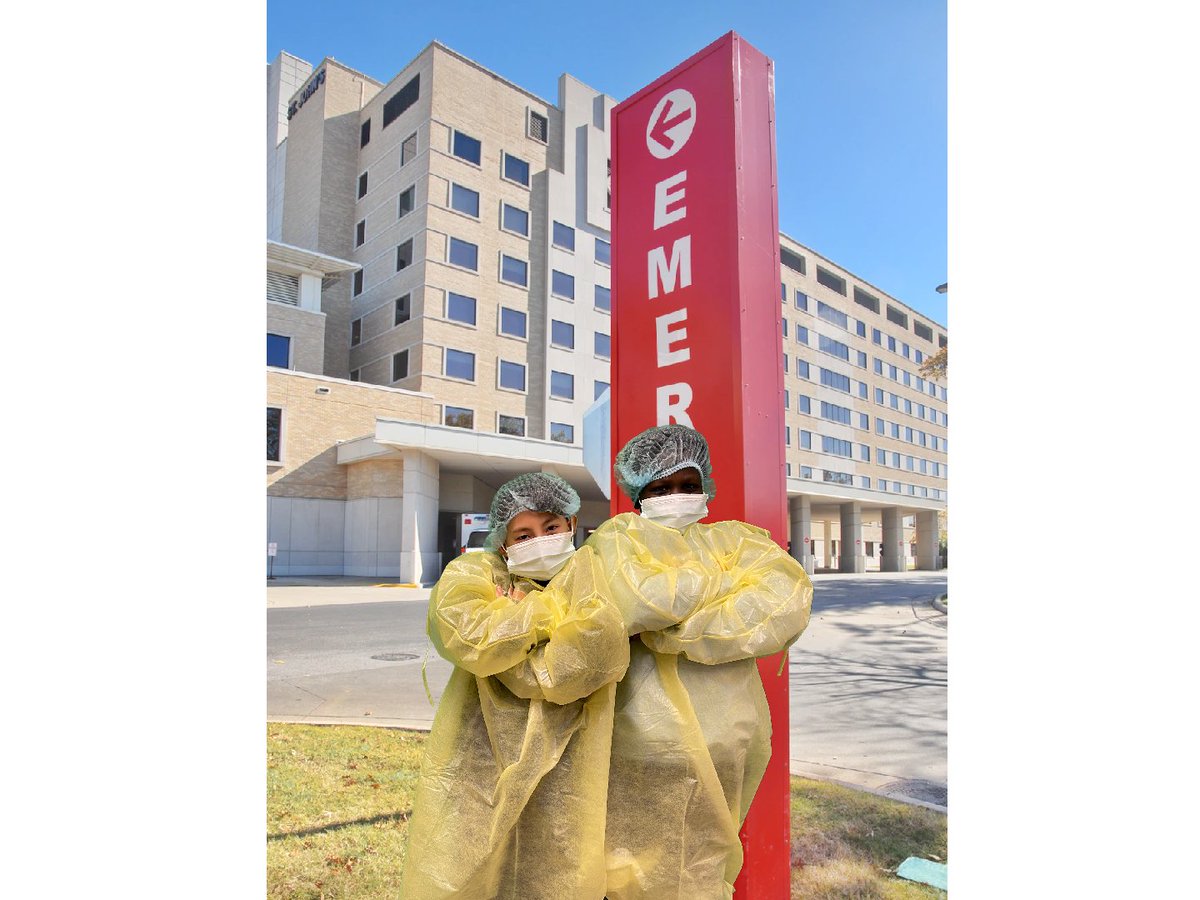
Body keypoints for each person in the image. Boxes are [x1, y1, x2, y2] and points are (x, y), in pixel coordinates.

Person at [584, 424, 814, 899]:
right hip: (639, 743)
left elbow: (782, 606)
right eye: (661, 488)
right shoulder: (617, 540)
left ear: (706, 485)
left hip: (726, 740)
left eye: (688, 485)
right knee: (630, 867)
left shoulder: (735, 540)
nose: (677, 496)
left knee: (702, 865)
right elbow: (639, 600)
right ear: (637, 495)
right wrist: (723, 590)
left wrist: (672, 627)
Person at [400, 472, 630, 900]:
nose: (538, 541)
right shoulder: (475, 571)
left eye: (550, 528)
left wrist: (518, 623)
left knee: (556, 867)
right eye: (522, 535)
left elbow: (594, 657)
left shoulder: (595, 575)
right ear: (502, 544)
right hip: (482, 751)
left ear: (571, 526)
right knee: (475, 865)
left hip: (571, 757)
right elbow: (467, 635)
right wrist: (554, 618)